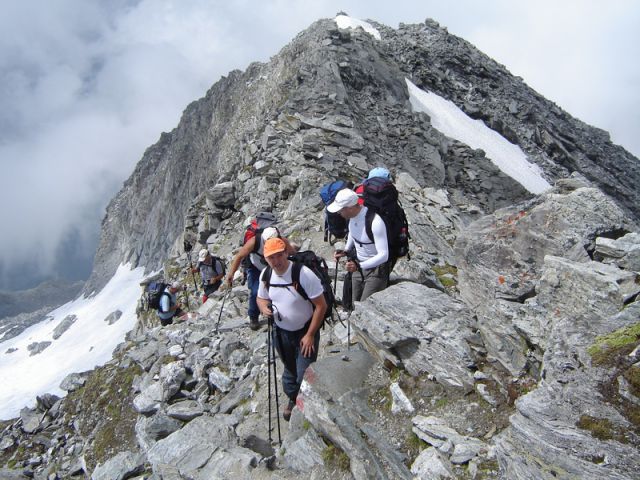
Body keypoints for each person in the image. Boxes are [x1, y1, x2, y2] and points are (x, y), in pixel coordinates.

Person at [257, 237, 327, 421]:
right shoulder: (266, 275)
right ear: (266, 259)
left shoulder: (302, 273)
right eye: (271, 258)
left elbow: (321, 306)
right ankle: (293, 399)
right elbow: (261, 298)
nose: (276, 261)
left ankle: (307, 408)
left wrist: (311, 334)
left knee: (304, 372)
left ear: (286, 253)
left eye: (279, 255)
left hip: (305, 331)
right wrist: (263, 308)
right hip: (281, 332)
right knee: (290, 368)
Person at [226, 227, 294, 330]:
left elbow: (292, 252)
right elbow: (239, 256)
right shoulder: (254, 242)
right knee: (255, 292)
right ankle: (253, 317)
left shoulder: (282, 241)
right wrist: (231, 273)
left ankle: (277, 314)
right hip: (256, 269)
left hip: (274, 268)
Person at [329, 188, 390, 302]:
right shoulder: (352, 217)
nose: (338, 213)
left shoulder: (376, 222)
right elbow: (354, 232)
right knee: (355, 302)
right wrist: (346, 250)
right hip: (358, 266)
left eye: (341, 210)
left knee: (366, 306)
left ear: (350, 208)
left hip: (376, 271)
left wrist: (359, 266)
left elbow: (384, 255)